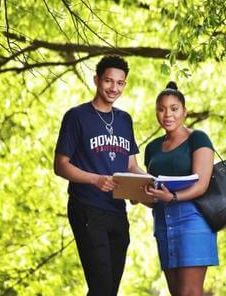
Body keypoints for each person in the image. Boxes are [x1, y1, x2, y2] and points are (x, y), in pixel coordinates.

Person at [54, 55, 143, 296]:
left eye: (120, 83)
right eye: (108, 81)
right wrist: (95, 179)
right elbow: (61, 165)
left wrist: (143, 187)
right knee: (102, 286)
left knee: (107, 289)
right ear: (96, 80)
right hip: (87, 208)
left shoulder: (124, 120)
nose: (114, 88)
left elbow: (132, 166)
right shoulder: (76, 116)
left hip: (117, 211)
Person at [143, 81, 218, 296]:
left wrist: (174, 197)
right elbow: (156, 194)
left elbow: (201, 184)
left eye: (174, 109)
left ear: (184, 112)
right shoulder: (152, 148)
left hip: (192, 220)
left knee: (189, 293)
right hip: (163, 223)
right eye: (161, 109)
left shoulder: (198, 138)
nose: (168, 115)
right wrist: (140, 195)